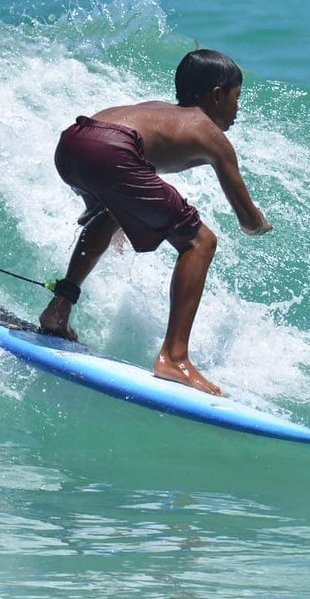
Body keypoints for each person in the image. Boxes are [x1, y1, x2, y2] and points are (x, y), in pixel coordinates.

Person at [38, 49, 271, 396]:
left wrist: (99, 201)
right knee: (200, 242)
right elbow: (248, 222)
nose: (238, 110)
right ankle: (175, 358)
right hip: (113, 151)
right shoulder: (211, 135)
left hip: (73, 141)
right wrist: (263, 223)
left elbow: (99, 145)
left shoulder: (156, 110)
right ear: (217, 94)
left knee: (111, 214)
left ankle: (58, 310)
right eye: (237, 98)